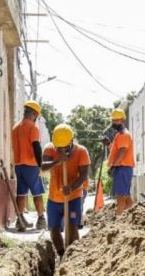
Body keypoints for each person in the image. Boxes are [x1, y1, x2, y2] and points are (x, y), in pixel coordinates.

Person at [41, 123, 90, 257]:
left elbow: (84, 175)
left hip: (73, 196)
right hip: (54, 198)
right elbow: (43, 167)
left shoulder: (81, 151)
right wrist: (57, 161)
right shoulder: (50, 149)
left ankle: (74, 256)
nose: (62, 150)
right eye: (59, 148)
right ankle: (62, 254)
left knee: (72, 226)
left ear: (71, 141)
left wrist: (72, 188)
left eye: (65, 148)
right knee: (54, 228)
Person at [11, 100, 47, 231]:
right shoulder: (33, 127)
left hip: (19, 166)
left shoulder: (15, 127)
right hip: (31, 166)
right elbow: (36, 147)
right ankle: (41, 220)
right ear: (35, 114)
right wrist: (41, 165)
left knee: (21, 194)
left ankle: (20, 220)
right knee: (37, 194)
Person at [108, 109, 135, 215]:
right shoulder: (120, 134)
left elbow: (122, 152)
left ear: (123, 120)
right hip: (123, 168)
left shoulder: (123, 134)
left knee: (121, 196)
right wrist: (108, 145)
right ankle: (132, 217)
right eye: (113, 120)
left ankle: (119, 220)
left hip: (122, 168)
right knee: (126, 196)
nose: (114, 122)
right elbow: (117, 150)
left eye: (117, 120)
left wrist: (113, 166)